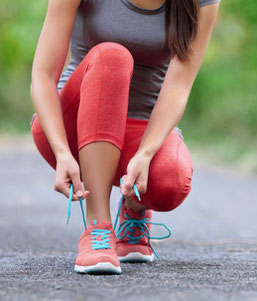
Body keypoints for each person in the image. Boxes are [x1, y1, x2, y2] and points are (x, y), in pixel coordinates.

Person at [30, 0, 221, 274]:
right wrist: (61, 150)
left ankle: (133, 204)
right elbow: (43, 75)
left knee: (170, 180)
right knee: (113, 56)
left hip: (141, 124)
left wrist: (145, 154)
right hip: (73, 123)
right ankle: (98, 228)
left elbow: (179, 85)